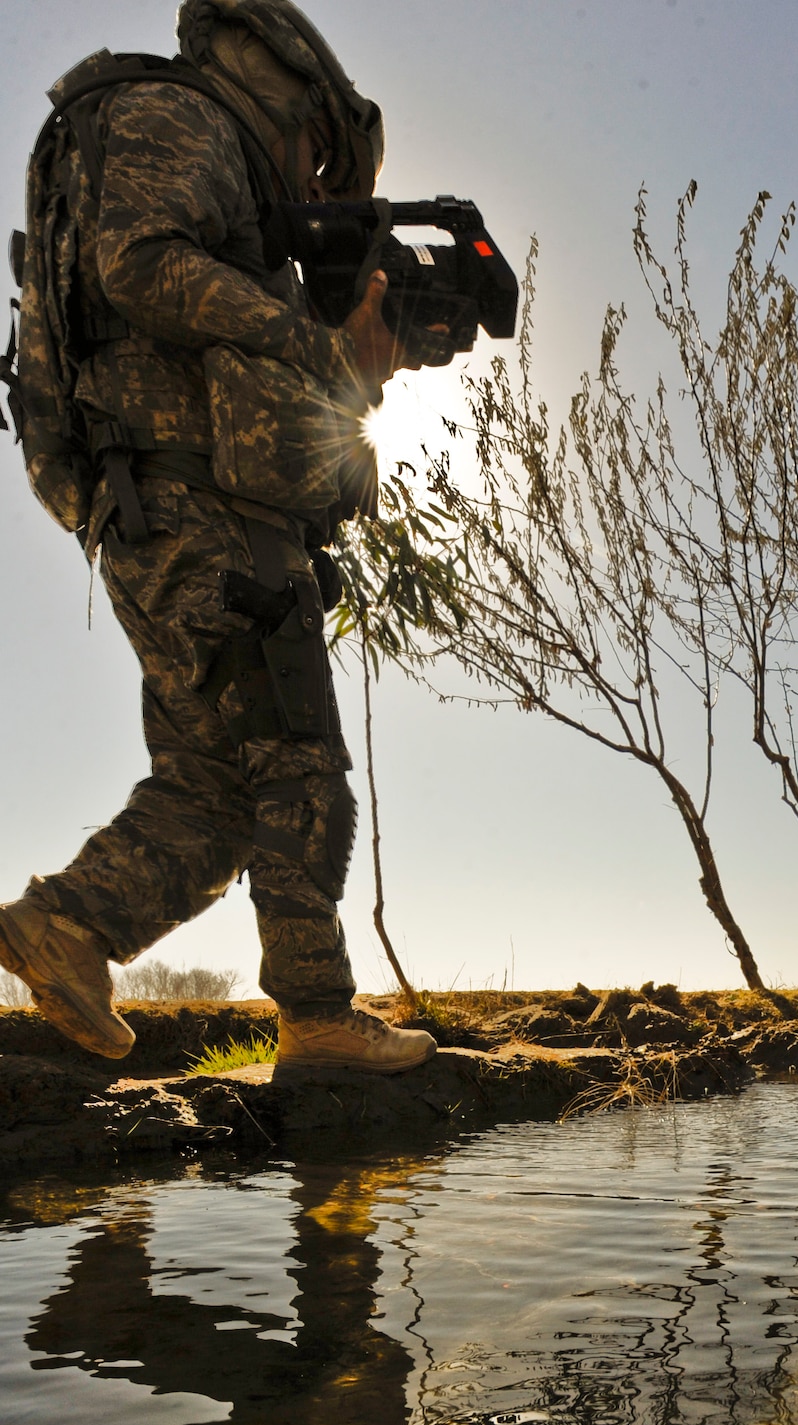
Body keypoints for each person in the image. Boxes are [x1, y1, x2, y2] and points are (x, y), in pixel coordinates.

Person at [0, 0, 436, 1074]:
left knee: (213, 787)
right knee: (299, 761)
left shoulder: (179, 126)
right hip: (191, 502)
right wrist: (315, 342)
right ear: (293, 97)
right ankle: (322, 1022)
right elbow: (138, 264)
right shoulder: (179, 113)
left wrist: (355, 367)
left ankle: (66, 930)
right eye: (318, 158)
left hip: (162, 504)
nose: (315, 188)